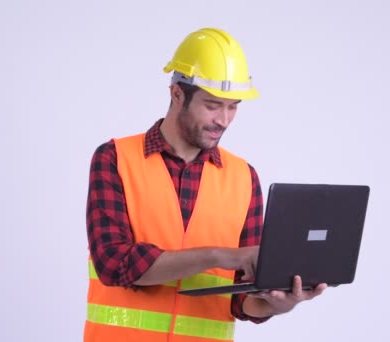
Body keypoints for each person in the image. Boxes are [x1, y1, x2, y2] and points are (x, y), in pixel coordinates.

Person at [84, 27, 327, 342]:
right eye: (213, 105)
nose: (224, 120)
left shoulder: (244, 177)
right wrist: (222, 255)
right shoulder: (115, 158)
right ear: (177, 94)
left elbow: (243, 301)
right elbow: (114, 264)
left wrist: (278, 304)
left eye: (233, 106)